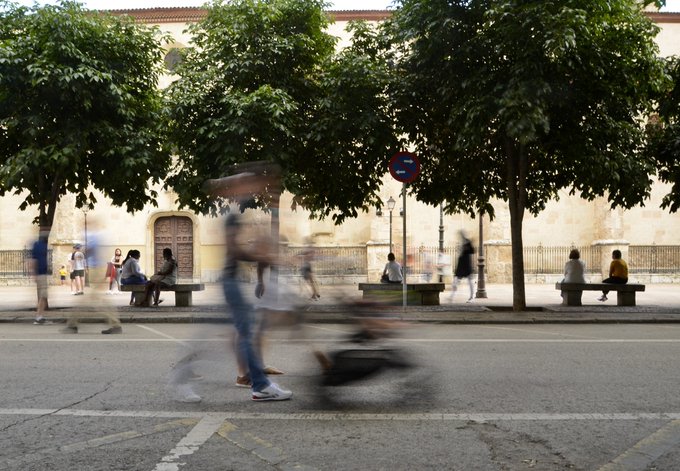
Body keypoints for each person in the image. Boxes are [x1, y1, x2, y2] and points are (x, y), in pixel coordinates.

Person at [168, 164, 292, 403]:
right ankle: (258, 385)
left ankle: (257, 384)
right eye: (248, 184)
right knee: (240, 335)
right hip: (230, 282)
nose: (255, 188)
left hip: (231, 281)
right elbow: (234, 249)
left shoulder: (234, 210)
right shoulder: (231, 214)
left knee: (235, 334)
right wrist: (261, 256)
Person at [30, 226, 50, 325]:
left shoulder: (42, 244)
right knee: (43, 296)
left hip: (42, 274)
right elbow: (33, 260)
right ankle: (38, 317)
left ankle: (39, 316)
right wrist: (34, 274)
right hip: (40, 274)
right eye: (45, 230)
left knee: (43, 296)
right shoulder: (38, 245)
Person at [451, 231, 475, 302]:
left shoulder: (468, 242)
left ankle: (471, 297)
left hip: (466, 265)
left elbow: (472, 251)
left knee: (470, 282)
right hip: (461, 265)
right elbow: (460, 253)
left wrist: (467, 247)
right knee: (455, 281)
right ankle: (452, 296)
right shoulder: (461, 243)